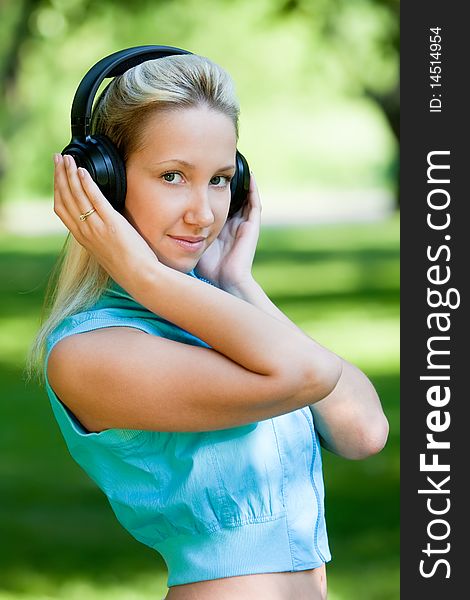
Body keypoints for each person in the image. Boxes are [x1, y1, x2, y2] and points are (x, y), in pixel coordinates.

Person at [28, 50, 389, 599]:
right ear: (105, 181)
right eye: (173, 176)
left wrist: (238, 283)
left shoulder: (218, 314)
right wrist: (146, 277)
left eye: (220, 179)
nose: (203, 212)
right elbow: (308, 373)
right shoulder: (87, 351)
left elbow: (362, 431)